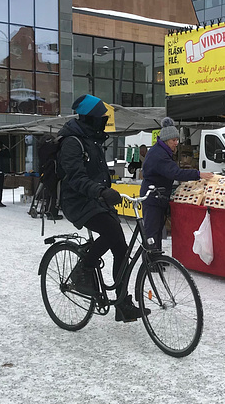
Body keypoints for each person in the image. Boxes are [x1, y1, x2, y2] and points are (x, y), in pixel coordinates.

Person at [57, 94, 146, 322]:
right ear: (90, 118)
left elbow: (98, 173)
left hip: (96, 200)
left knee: (121, 249)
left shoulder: (92, 139)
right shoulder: (71, 142)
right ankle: (83, 269)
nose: (104, 121)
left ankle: (122, 303)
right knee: (112, 232)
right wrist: (100, 191)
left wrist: (105, 191)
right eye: (101, 117)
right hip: (77, 202)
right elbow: (76, 177)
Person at [140, 117, 214, 251]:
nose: (176, 143)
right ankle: (151, 259)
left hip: (158, 196)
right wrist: (198, 174)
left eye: (177, 140)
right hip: (152, 197)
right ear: (166, 140)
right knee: (152, 231)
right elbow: (175, 173)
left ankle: (156, 257)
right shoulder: (159, 154)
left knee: (157, 230)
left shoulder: (162, 151)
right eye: (174, 140)